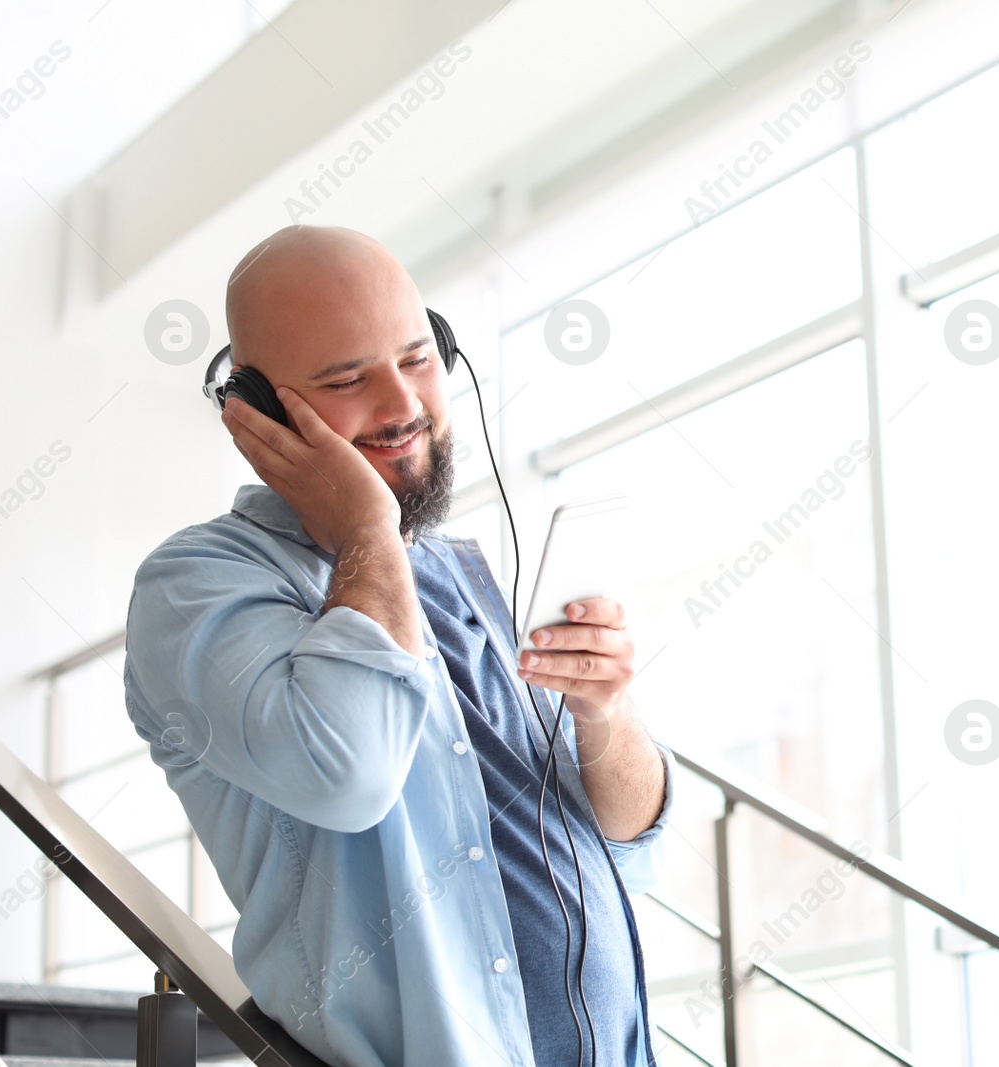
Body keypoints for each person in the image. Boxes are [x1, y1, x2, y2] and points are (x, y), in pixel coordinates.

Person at [122, 225, 672, 1067]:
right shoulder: (195, 587)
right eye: (348, 379)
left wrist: (607, 711)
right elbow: (349, 775)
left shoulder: (460, 577)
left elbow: (625, 847)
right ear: (258, 410)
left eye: (419, 358)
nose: (405, 403)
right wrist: (367, 526)